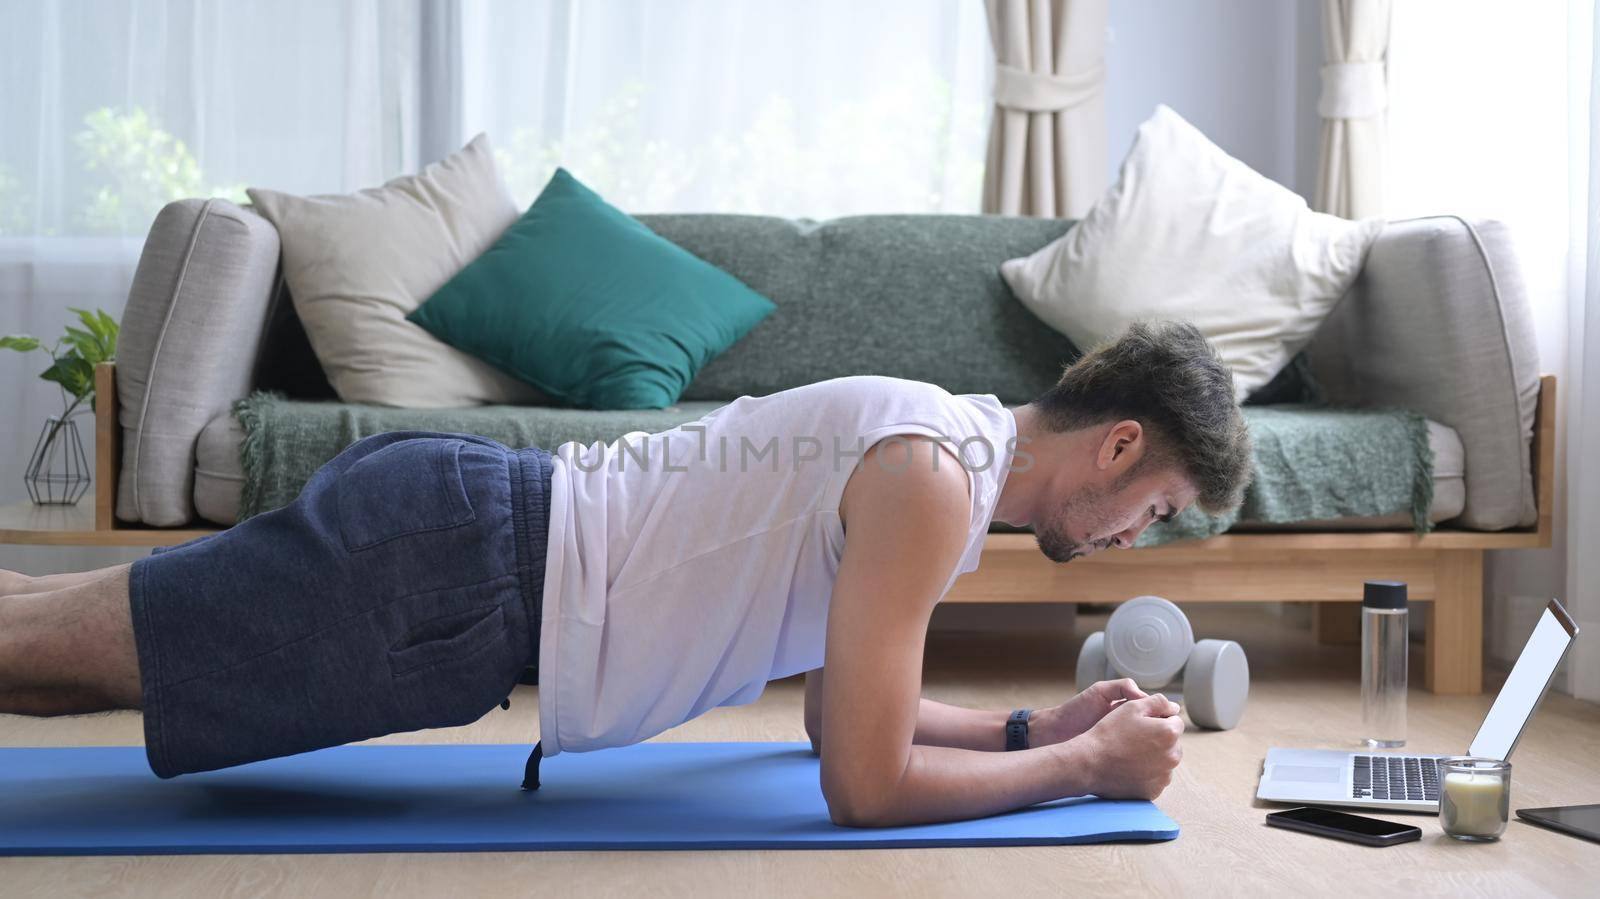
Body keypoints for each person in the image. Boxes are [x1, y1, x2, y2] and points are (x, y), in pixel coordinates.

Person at [0, 320, 1251, 827]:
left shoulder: (943, 450)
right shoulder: (931, 476)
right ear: (1120, 443)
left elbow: (836, 709)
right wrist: (1084, 767)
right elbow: (863, 783)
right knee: (59, 666)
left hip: (458, 544)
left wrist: (1034, 720)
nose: (1135, 537)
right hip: (458, 577)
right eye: (1156, 507)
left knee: (65, 630)